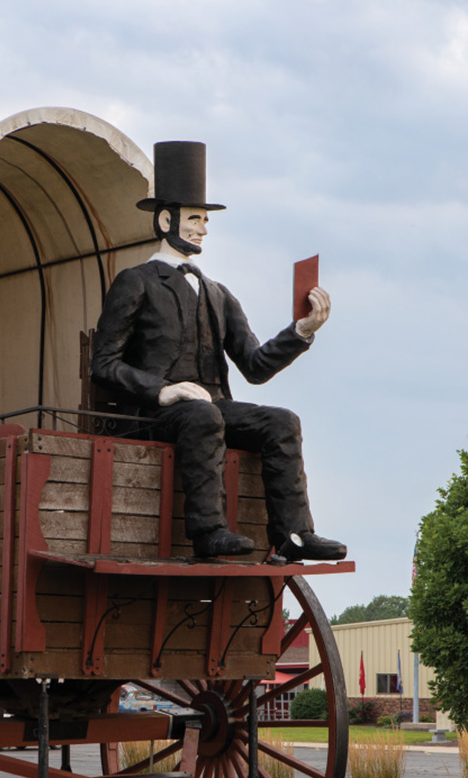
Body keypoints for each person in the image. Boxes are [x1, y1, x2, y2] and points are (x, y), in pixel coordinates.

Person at [90, 140, 346, 561]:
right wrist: (162, 390)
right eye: (195, 219)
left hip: (209, 409)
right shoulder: (136, 282)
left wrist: (301, 331)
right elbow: (103, 364)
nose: (203, 229)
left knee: (282, 421)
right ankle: (208, 532)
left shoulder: (217, 293)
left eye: (206, 221)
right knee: (202, 413)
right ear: (166, 219)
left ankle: (294, 534)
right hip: (153, 414)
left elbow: (255, 366)